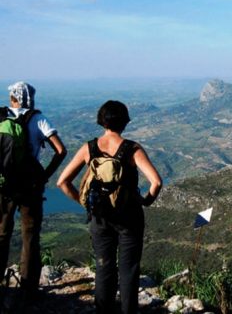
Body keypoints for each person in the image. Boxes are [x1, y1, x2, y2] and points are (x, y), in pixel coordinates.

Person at [57, 100, 162, 314]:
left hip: (100, 217)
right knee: (129, 269)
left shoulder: (89, 148)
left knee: (103, 267)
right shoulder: (132, 149)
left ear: (101, 121)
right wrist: (146, 201)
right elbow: (156, 182)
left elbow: (62, 182)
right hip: (129, 217)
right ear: (125, 122)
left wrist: (83, 202)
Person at [0, 81, 67, 302]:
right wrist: (45, 175)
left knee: (1, 234)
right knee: (30, 236)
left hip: (4, 186)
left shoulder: (2, 118)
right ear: (32, 98)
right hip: (30, 187)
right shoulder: (38, 119)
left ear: (12, 98)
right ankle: (28, 289)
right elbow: (60, 150)